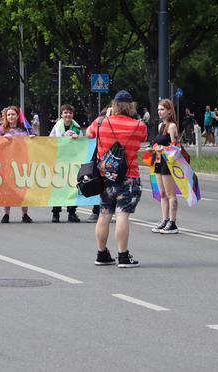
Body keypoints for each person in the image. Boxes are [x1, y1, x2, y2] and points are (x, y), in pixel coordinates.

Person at [87, 90, 147, 268]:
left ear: (113, 106)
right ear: (131, 106)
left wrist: (105, 118)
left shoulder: (100, 123)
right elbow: (143, 138)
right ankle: (123, 256)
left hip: (105, 178)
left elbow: (89, 134)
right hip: (129, 177)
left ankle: (102, 253)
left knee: (104, 215)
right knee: (122, 215)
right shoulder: (138, 125)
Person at [0, 105, 35, 223]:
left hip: (23, 162)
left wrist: (32, 138)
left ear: (18, 116)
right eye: (8, 115)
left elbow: (36, 140)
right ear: (5, 117)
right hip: (7, 162)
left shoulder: (26, 129)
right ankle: (6, 214)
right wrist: (3, 140)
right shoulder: (2, 129)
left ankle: (25, 214)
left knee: (22, 187)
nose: (11, 117)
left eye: (13, 114)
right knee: (8, 188)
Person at [149, 99, 180, 234]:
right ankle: (165, 219)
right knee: (161, 193)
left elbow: (176, 146)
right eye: (158, 109)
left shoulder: (172, 126)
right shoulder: (161, 126)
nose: (159, 112)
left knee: (170, 193)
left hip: (168, 162)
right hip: (158, 160)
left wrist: (164, 148)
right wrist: (153, 149)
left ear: (169, 111)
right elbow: (158, 143)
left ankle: (172, 222)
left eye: (162, 109)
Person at [49, 104, 82, 223]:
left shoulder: (77, 127)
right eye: (65, 113)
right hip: (59, 159)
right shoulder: (57, 127)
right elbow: (50, 140)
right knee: (58, 186)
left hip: (73, 161)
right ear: (61, 115)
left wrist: (77, 138)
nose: (68, 115)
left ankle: (72, 212)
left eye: (70, 113)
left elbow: (82, 144)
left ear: (73, 115)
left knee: (72, 186)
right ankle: (56, 212)